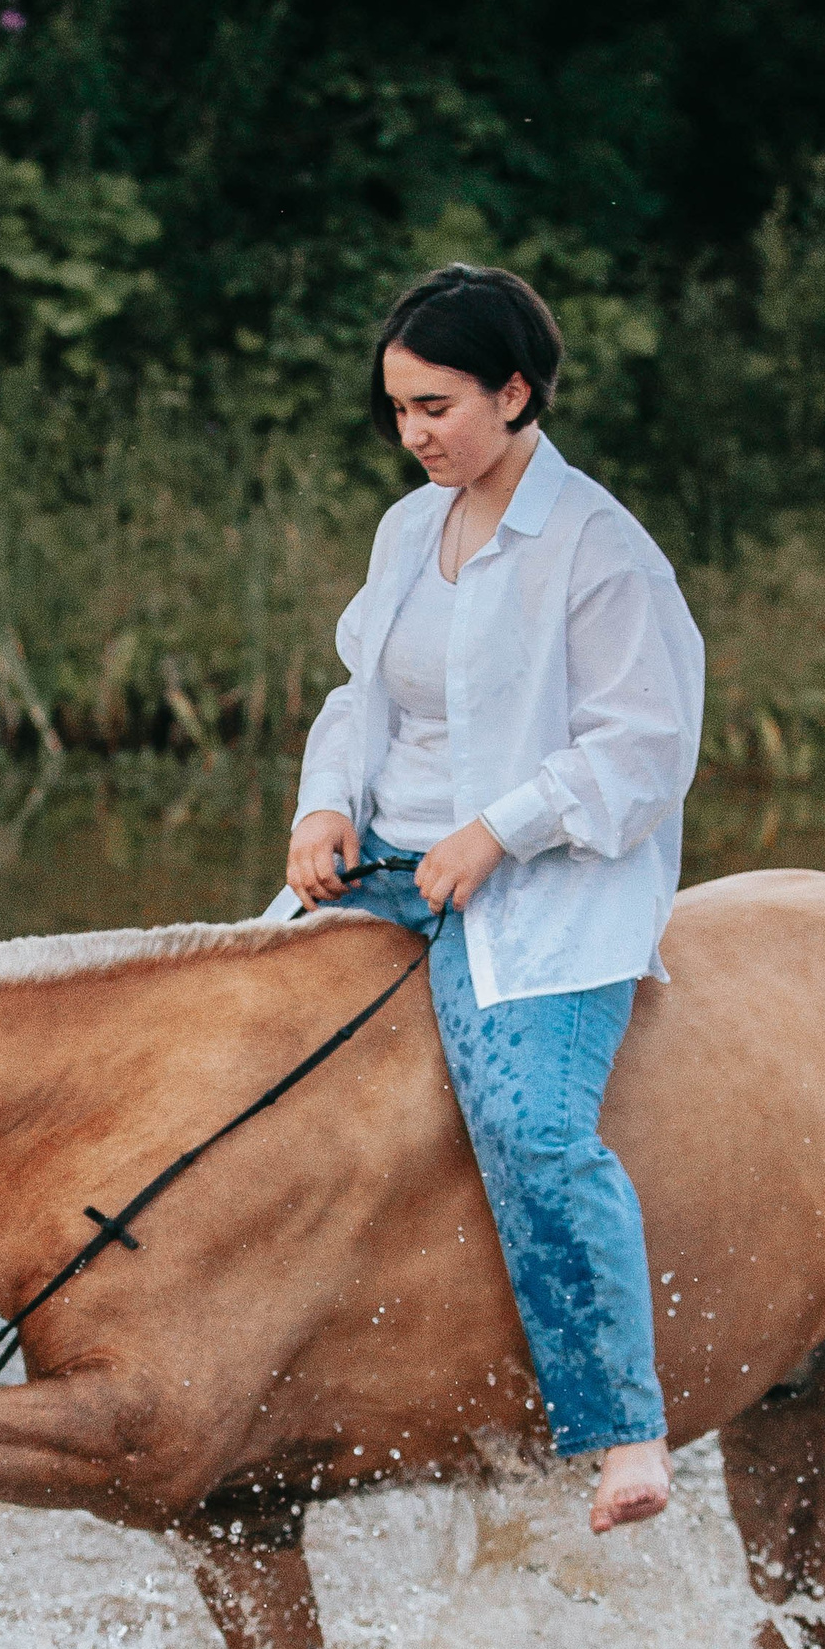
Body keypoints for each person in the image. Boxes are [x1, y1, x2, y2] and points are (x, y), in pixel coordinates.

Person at [279, 263, 705, 1533]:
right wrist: (324, 805)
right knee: (235, 1067)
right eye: (400, 410)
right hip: (386, 864)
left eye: (438, 407)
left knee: (533, 1128)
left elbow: (644, 747)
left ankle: (624, 1427)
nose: (414, 435)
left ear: (515, 392)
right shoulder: (412, 527)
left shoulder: (600, 550)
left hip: (541, 891)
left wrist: (496, 834)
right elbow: (363, 698)